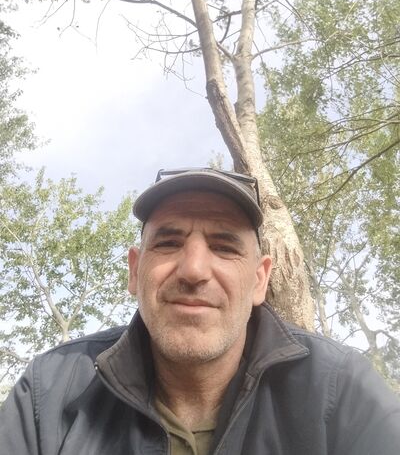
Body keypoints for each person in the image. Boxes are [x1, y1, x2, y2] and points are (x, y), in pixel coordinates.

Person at [0, 167, 399, 455]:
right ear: (135, 272)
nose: (193, 270)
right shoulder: (47, 395)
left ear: (259, 280)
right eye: (168, 243)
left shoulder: (340, 391)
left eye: (224, 247)